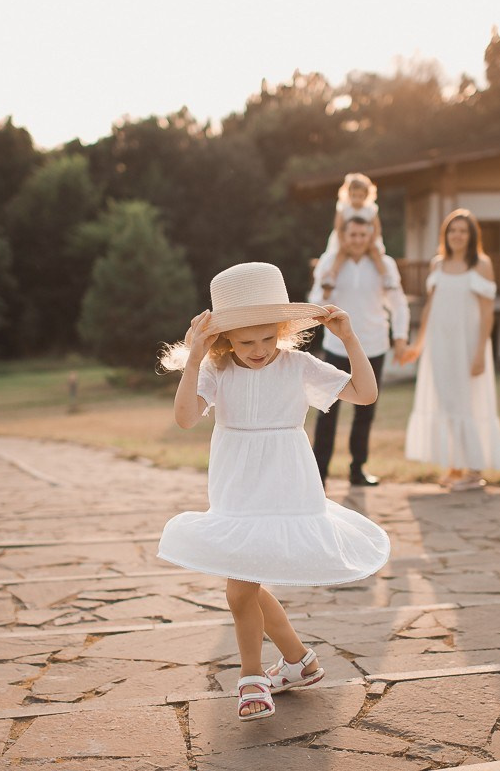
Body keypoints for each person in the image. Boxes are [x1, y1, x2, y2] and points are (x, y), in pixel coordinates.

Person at [158, 262, 390, 723]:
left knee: (239, 590)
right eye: (246, 342)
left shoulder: (298, 366)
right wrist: (195, 356)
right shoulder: (218, 370)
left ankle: (252, 678)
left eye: (268, 338)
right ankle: (299, 661)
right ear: (225, 339)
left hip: (285, 486)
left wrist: (349, 338)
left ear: (282, 329)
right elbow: (185, 417)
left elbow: (365, 394)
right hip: (237, 490)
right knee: (246, 577)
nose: (260, 350)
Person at [399, 208, 500, 491]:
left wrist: (481, 352)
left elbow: (487, 313)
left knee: (466, 403)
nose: (457, 235)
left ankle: (473, 470)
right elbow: (431, 308)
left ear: (472, 236)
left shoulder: (481, 265)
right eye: (453, 230)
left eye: (463, 231)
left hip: (468, 345)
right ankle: (455, 466)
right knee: (446, 403)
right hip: (440, 346)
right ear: (446, 235)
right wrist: (418, 345)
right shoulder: (437, 264)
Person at [310, 217, 410, 486]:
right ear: (343, 236)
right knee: (327, 409)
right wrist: (327, 286)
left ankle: (358, 469)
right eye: (352, 235)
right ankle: (318, 474)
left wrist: (400, 337)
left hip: (373, 345)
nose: (357, 240)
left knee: (366, 409)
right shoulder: (329, 262)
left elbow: (398, 304)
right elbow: (314, 303)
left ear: (371, 236)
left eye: (362, 235)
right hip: (336, 346)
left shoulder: (384, 265)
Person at [317, 172, 397, 290]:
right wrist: (343, 242)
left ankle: (386, 277)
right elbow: (338, 227)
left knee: (376, 253)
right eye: (354, 196)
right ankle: (331, 276)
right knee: (341, 254)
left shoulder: (370, 209)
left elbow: (376, 227)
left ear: (366, 196)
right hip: (346, 239)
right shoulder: (344, 208)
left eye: (360, 196)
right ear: (348, 194)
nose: (357, 199)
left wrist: (372, 241)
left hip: (367, 239)